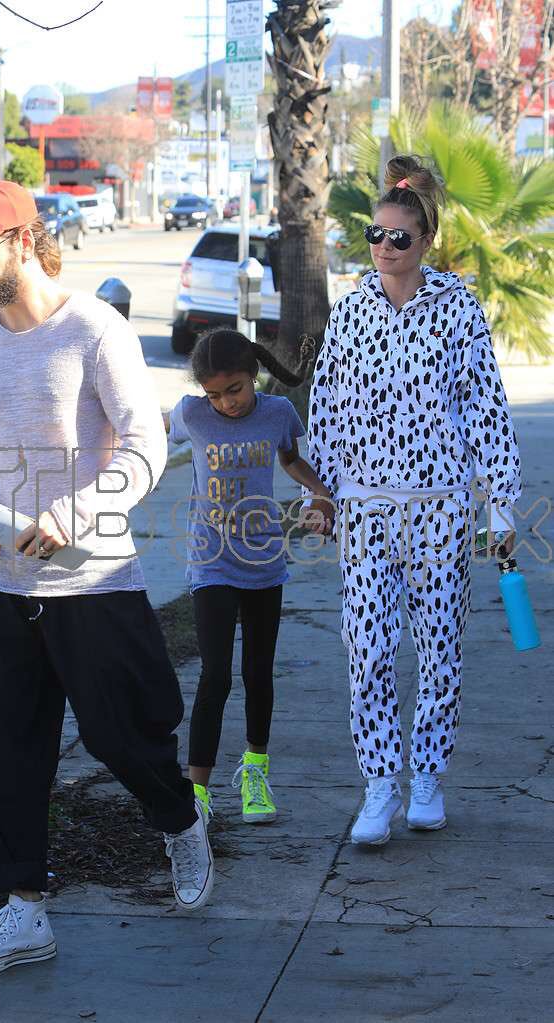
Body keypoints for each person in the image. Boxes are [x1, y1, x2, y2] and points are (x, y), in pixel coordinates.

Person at [0, 180, 213, 976]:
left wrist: (77, 513)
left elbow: (145, 447)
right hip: (3, 589)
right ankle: (24, 912)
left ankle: (181, 823)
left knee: (127, 736)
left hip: (93, 583)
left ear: (22, 239)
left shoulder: (95, 329)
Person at [302, 154, 521, 846]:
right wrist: (322, 495)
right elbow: (329, 411)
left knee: (438, 649)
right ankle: (379, 784)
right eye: (375, 234)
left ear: (424, 240)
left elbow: (486, 406)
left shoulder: (457, 307)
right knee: (367, 648)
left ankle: (426, 775)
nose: (385, 247)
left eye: (399, 236)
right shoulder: (351, 312)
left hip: (440, 506)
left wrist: (503, 505)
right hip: (367, 507)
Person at [164, 328, 333, 825]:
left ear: (253, 377)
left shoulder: (278, 413)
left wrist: (321, 496)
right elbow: (151, 442)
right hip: (210, 559)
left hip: (263, 561)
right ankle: (197, 793)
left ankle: (255, 771)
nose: (226, 402)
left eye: (234, 389)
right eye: (214, 393)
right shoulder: (191, 414)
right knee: (214, 675)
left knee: (258, 673)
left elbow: (291, 459)